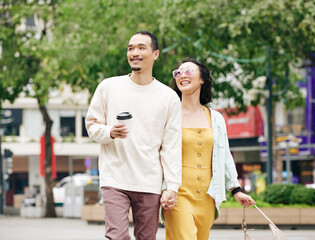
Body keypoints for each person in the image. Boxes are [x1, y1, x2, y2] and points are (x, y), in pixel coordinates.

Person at [85, 31, 182, 240]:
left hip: (149, 181)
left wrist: (172, 187)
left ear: (155, 54)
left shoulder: (169, 98)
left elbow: (171, 147)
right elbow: (91, 125)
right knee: (116, 236)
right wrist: (108, 131)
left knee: (146, 238)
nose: (134, 53)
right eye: (130, 48)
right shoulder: (109, 87)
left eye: (141, 48)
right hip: (115, 178)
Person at [162, 58, 256, 240]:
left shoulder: (216, 118)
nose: (182, 75)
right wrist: (163, 188)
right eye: (178, 73)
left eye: (188, 71)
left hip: (207, 196)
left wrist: (236, 190)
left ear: (202, 79)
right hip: (177, 193)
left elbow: (224, 155)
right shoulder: (169, 114)